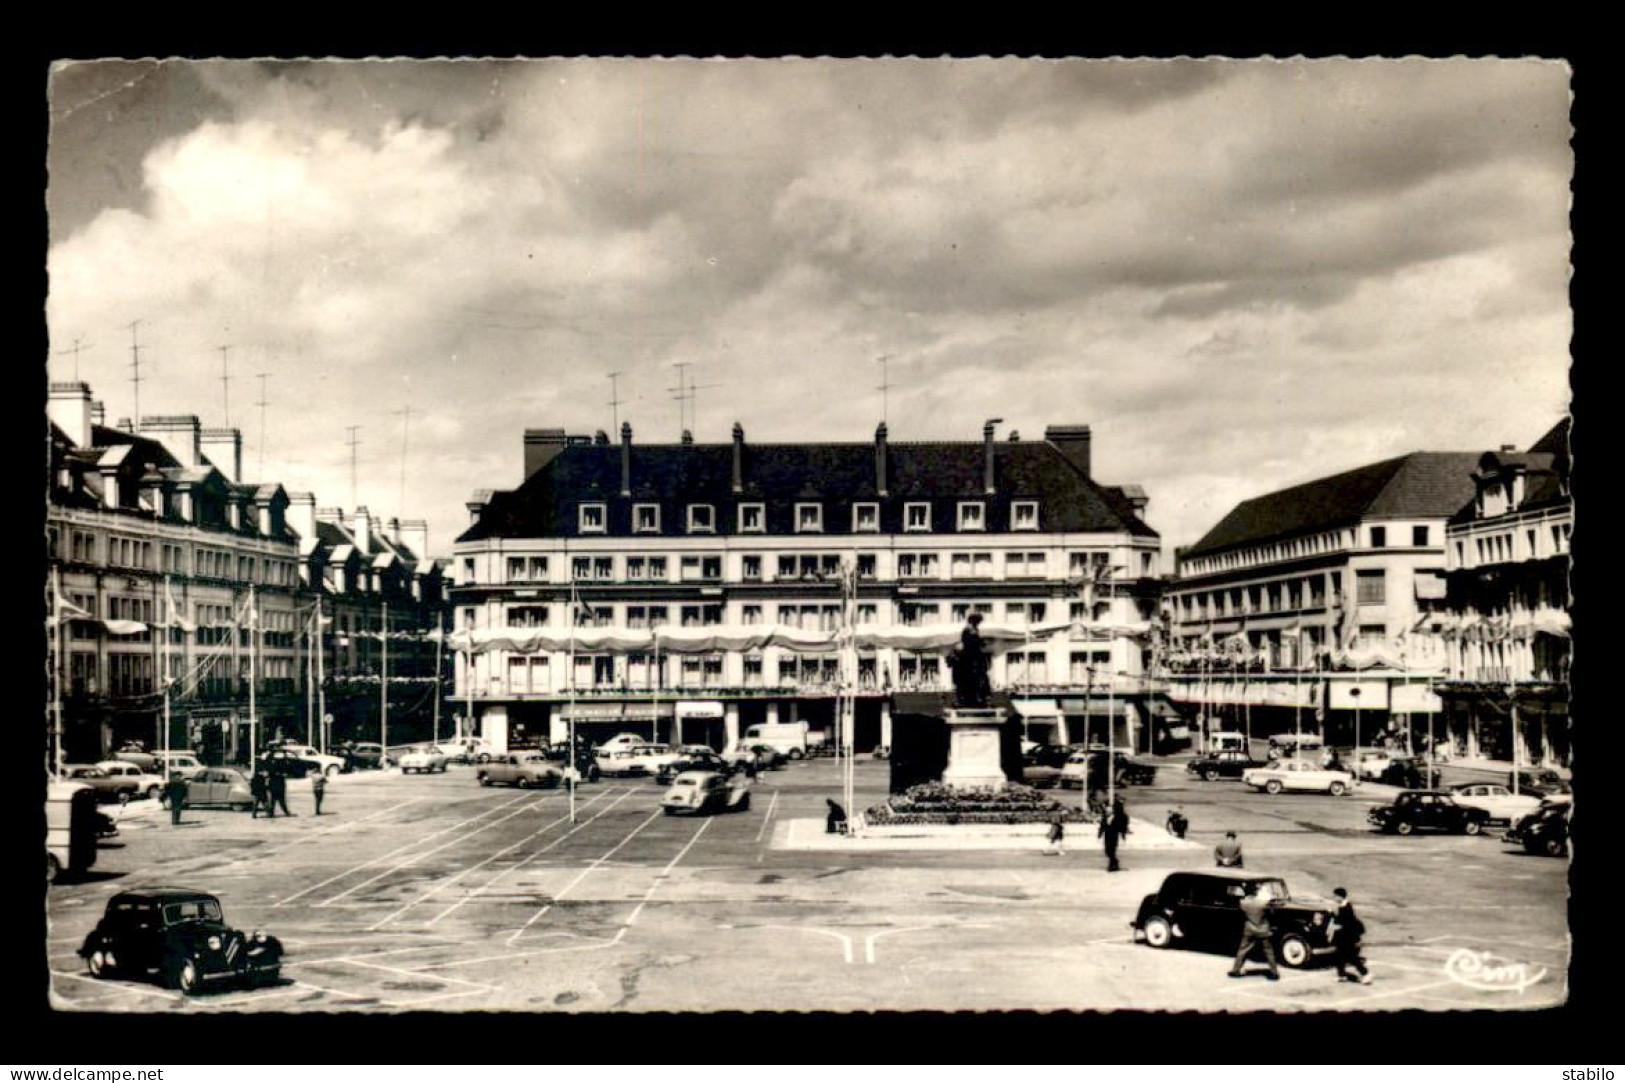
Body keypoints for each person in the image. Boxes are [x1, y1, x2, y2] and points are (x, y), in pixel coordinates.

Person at [1229, 883, 1281, 980]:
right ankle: (1274, 972)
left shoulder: (1244, 902)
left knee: (1242, 950)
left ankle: (1235, 970)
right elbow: (1271, 912)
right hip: (1263, 929)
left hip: (1250, 929)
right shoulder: (1262, 903)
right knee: (1269, 951)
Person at [1329, 887, 1372, 984]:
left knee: (1351, 957)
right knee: (1339, 955)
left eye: (1335, 896)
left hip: (1348, 938)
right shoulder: (1343, 906)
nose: (1334, 898)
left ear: (1340, 897)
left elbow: (1345, 923)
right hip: (1344, 937)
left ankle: (1365, 973)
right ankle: (1341, 975)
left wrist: (1336, 924)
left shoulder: (1346, 908)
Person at [1099, 797, 1129, 872]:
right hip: (1107, 837)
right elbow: (1102, 826)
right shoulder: (1105, 818)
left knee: (1112, 851)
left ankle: (1112, 866)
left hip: (1114, 837)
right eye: (1107, 810)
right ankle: (1115, 863)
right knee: (1107, 851)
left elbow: (1121, 827)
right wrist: (1099, 834)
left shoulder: (1116, 818)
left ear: (1112, 811)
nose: (1107, 811)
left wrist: (1123, 835)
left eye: (1109, 810)